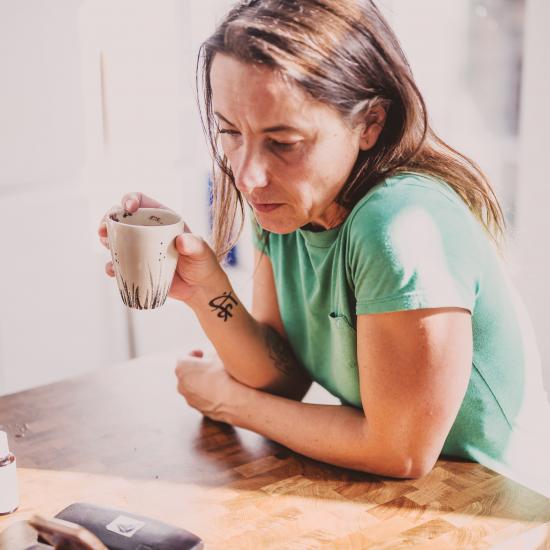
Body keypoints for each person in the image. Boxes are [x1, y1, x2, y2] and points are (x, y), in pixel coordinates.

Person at [98, 0, 550, 495]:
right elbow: (281, 378)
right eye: (230, 132)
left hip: (502, 510)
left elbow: (398, 450)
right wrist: (204, 288)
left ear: (369, 124)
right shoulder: (289, 207)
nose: (248, 176)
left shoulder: (399, 226)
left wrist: (229, 401)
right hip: (400, 503)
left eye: (284, 142)